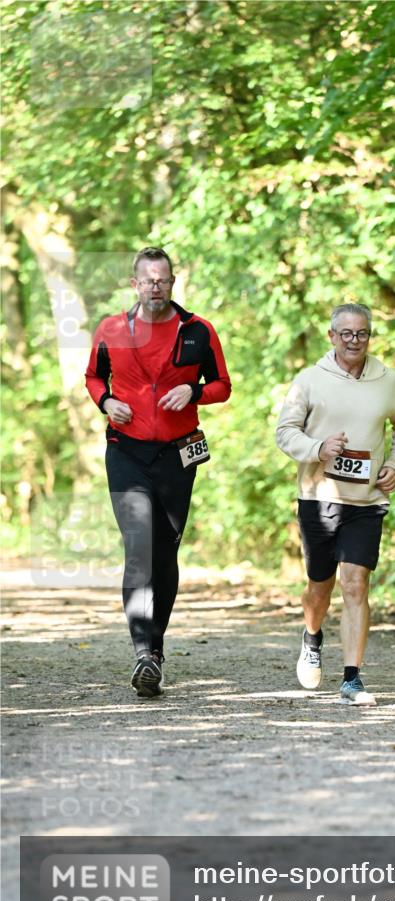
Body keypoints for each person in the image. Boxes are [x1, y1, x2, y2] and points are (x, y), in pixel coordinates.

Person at [85, 247, 231, 697]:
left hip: (176, 455)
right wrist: (106, 402)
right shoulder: (112, 328)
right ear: (135, 284)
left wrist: (193, 391)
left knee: (164, 553)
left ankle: (156, 649)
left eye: (163, 279)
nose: (155, 286)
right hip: (125, 451)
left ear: (172, 283)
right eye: (147, 279)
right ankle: (143, 653)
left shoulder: (199, 330)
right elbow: (93, 378)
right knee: (138, 544)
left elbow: (223, 386)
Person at [276, 303, 395, 705]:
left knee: (355, 583)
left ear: (370, 337)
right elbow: (285, 433)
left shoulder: (387, 381)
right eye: (347, 334)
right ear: (332, 336)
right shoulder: (308, 381)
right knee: (320, 585)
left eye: (363, 334)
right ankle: (312, 636)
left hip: (367, 501)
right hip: (319, 498)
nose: (355, 341)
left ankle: (352, 678)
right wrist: (318, 448)